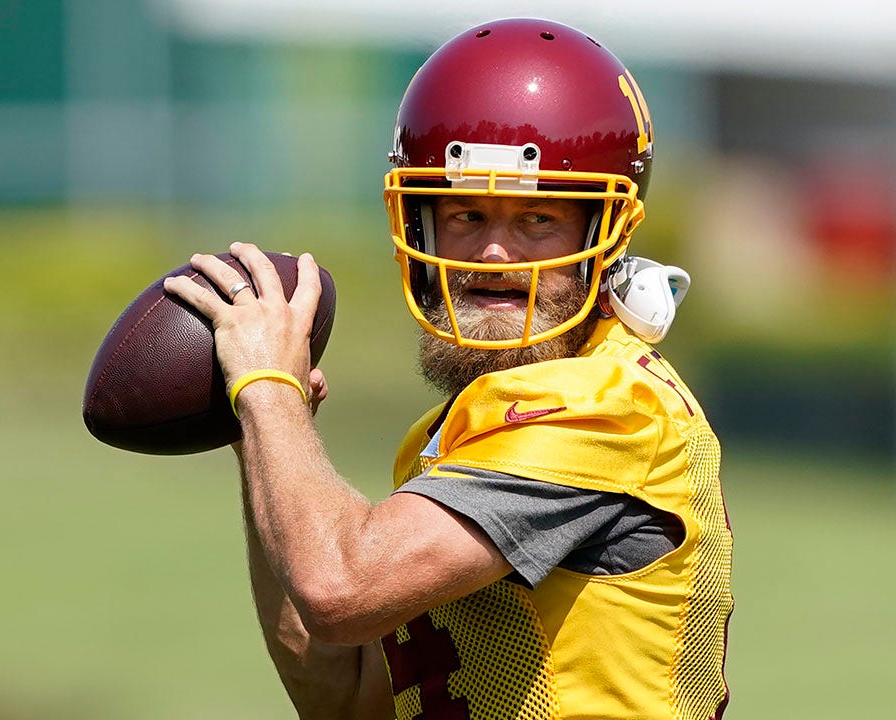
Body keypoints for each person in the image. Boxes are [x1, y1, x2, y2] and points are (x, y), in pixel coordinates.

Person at [164, 17, 733, 720]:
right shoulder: (452, 432)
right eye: (466, 214)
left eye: (536, 220)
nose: (493, 254)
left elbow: (342, 589)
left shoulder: (605, 407)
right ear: (418, 225)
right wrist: (261, 435)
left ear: (600, 238)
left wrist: (269, 389)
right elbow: (346, 698)